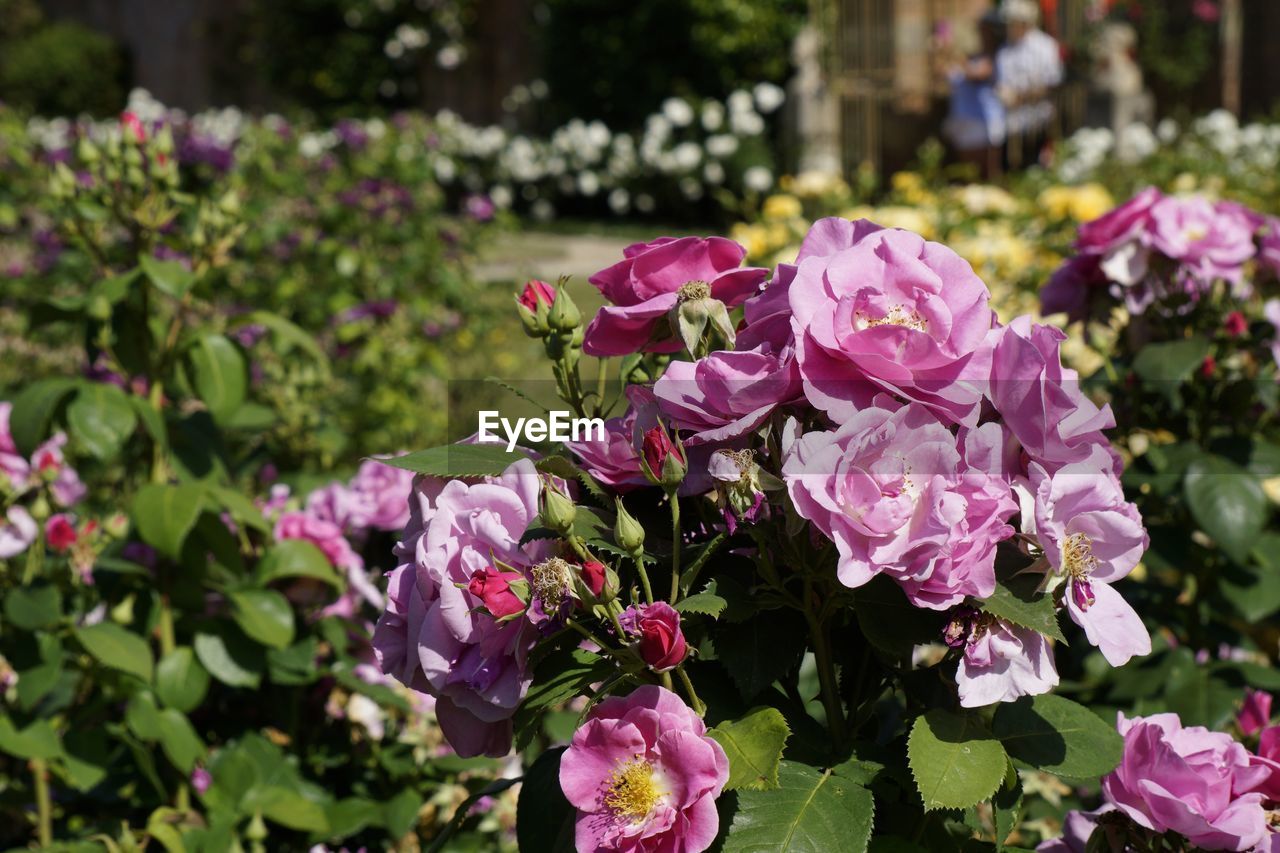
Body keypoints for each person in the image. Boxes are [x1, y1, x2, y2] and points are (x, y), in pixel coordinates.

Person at [996, 0, 1063, 168]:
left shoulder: (1045, 46)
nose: (1010, 28)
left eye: (1013, 23)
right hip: (1014, 125)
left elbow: (1052, 84)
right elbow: (1002, 83)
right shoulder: (1004, 50)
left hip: (1039, 121)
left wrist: (1023, 96)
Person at [944, 11, 1007, 181]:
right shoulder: (971, 58)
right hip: (963, 119)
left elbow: (976, 76)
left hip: (984, 122)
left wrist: (956, 53)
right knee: (967, 173)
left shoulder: (994, 57)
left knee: (986, 173)